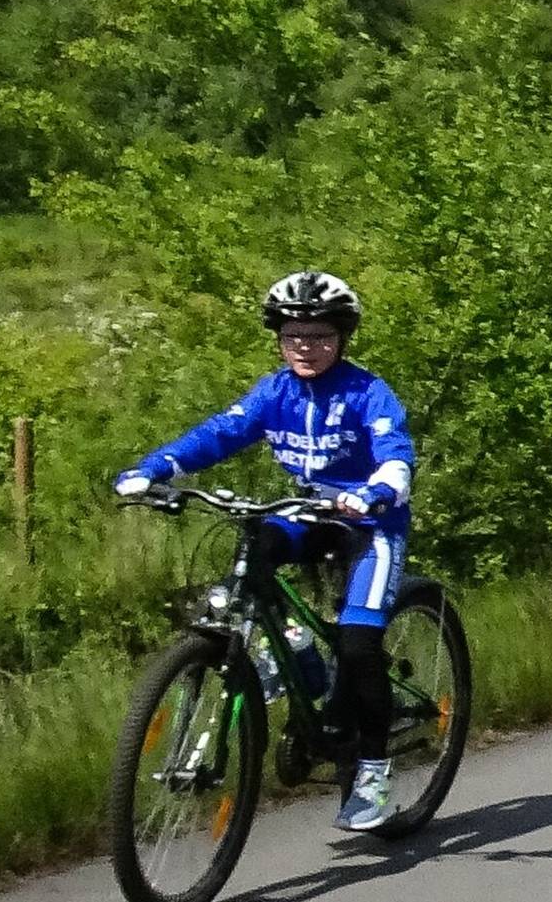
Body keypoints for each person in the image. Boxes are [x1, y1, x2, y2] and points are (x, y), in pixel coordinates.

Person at [113, 272, 415, 832]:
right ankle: (294, 656)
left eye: (320, 335)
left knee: (358, 642)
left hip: (369, 523)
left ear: (342, 338)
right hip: (306, 511)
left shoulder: (368, 392)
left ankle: (373, 772)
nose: (306, 346)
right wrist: (154, 469)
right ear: (279, 338)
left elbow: (396, 453)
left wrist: (375, 491)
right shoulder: (274, 392)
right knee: (252, 555)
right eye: (294, 335)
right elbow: (220, 433)